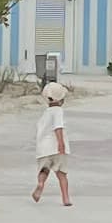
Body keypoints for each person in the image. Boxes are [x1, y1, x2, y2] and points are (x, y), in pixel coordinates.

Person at [30, 77, 73, 207]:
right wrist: (61, 143)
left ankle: (41, 184)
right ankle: (65, 198)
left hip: (44, 149)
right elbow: (58, 127)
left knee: (44, 170)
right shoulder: (58, 111)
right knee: (62, 174)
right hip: (56, 148)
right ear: (61, 100)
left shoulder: (45, 114)